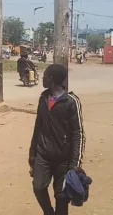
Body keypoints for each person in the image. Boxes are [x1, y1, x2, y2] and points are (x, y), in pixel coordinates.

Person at [29, 64, 85, 215]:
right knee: (38, 187)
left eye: (45, 75)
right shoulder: (43, 98)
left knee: (61, 197)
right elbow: (38, 127)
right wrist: (32, 155)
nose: (42, 78)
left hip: (64, 159)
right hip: (43, 155)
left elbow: (78, 133)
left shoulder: (71, 101)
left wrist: (75, 164)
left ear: (52, 79)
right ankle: (48, 212)